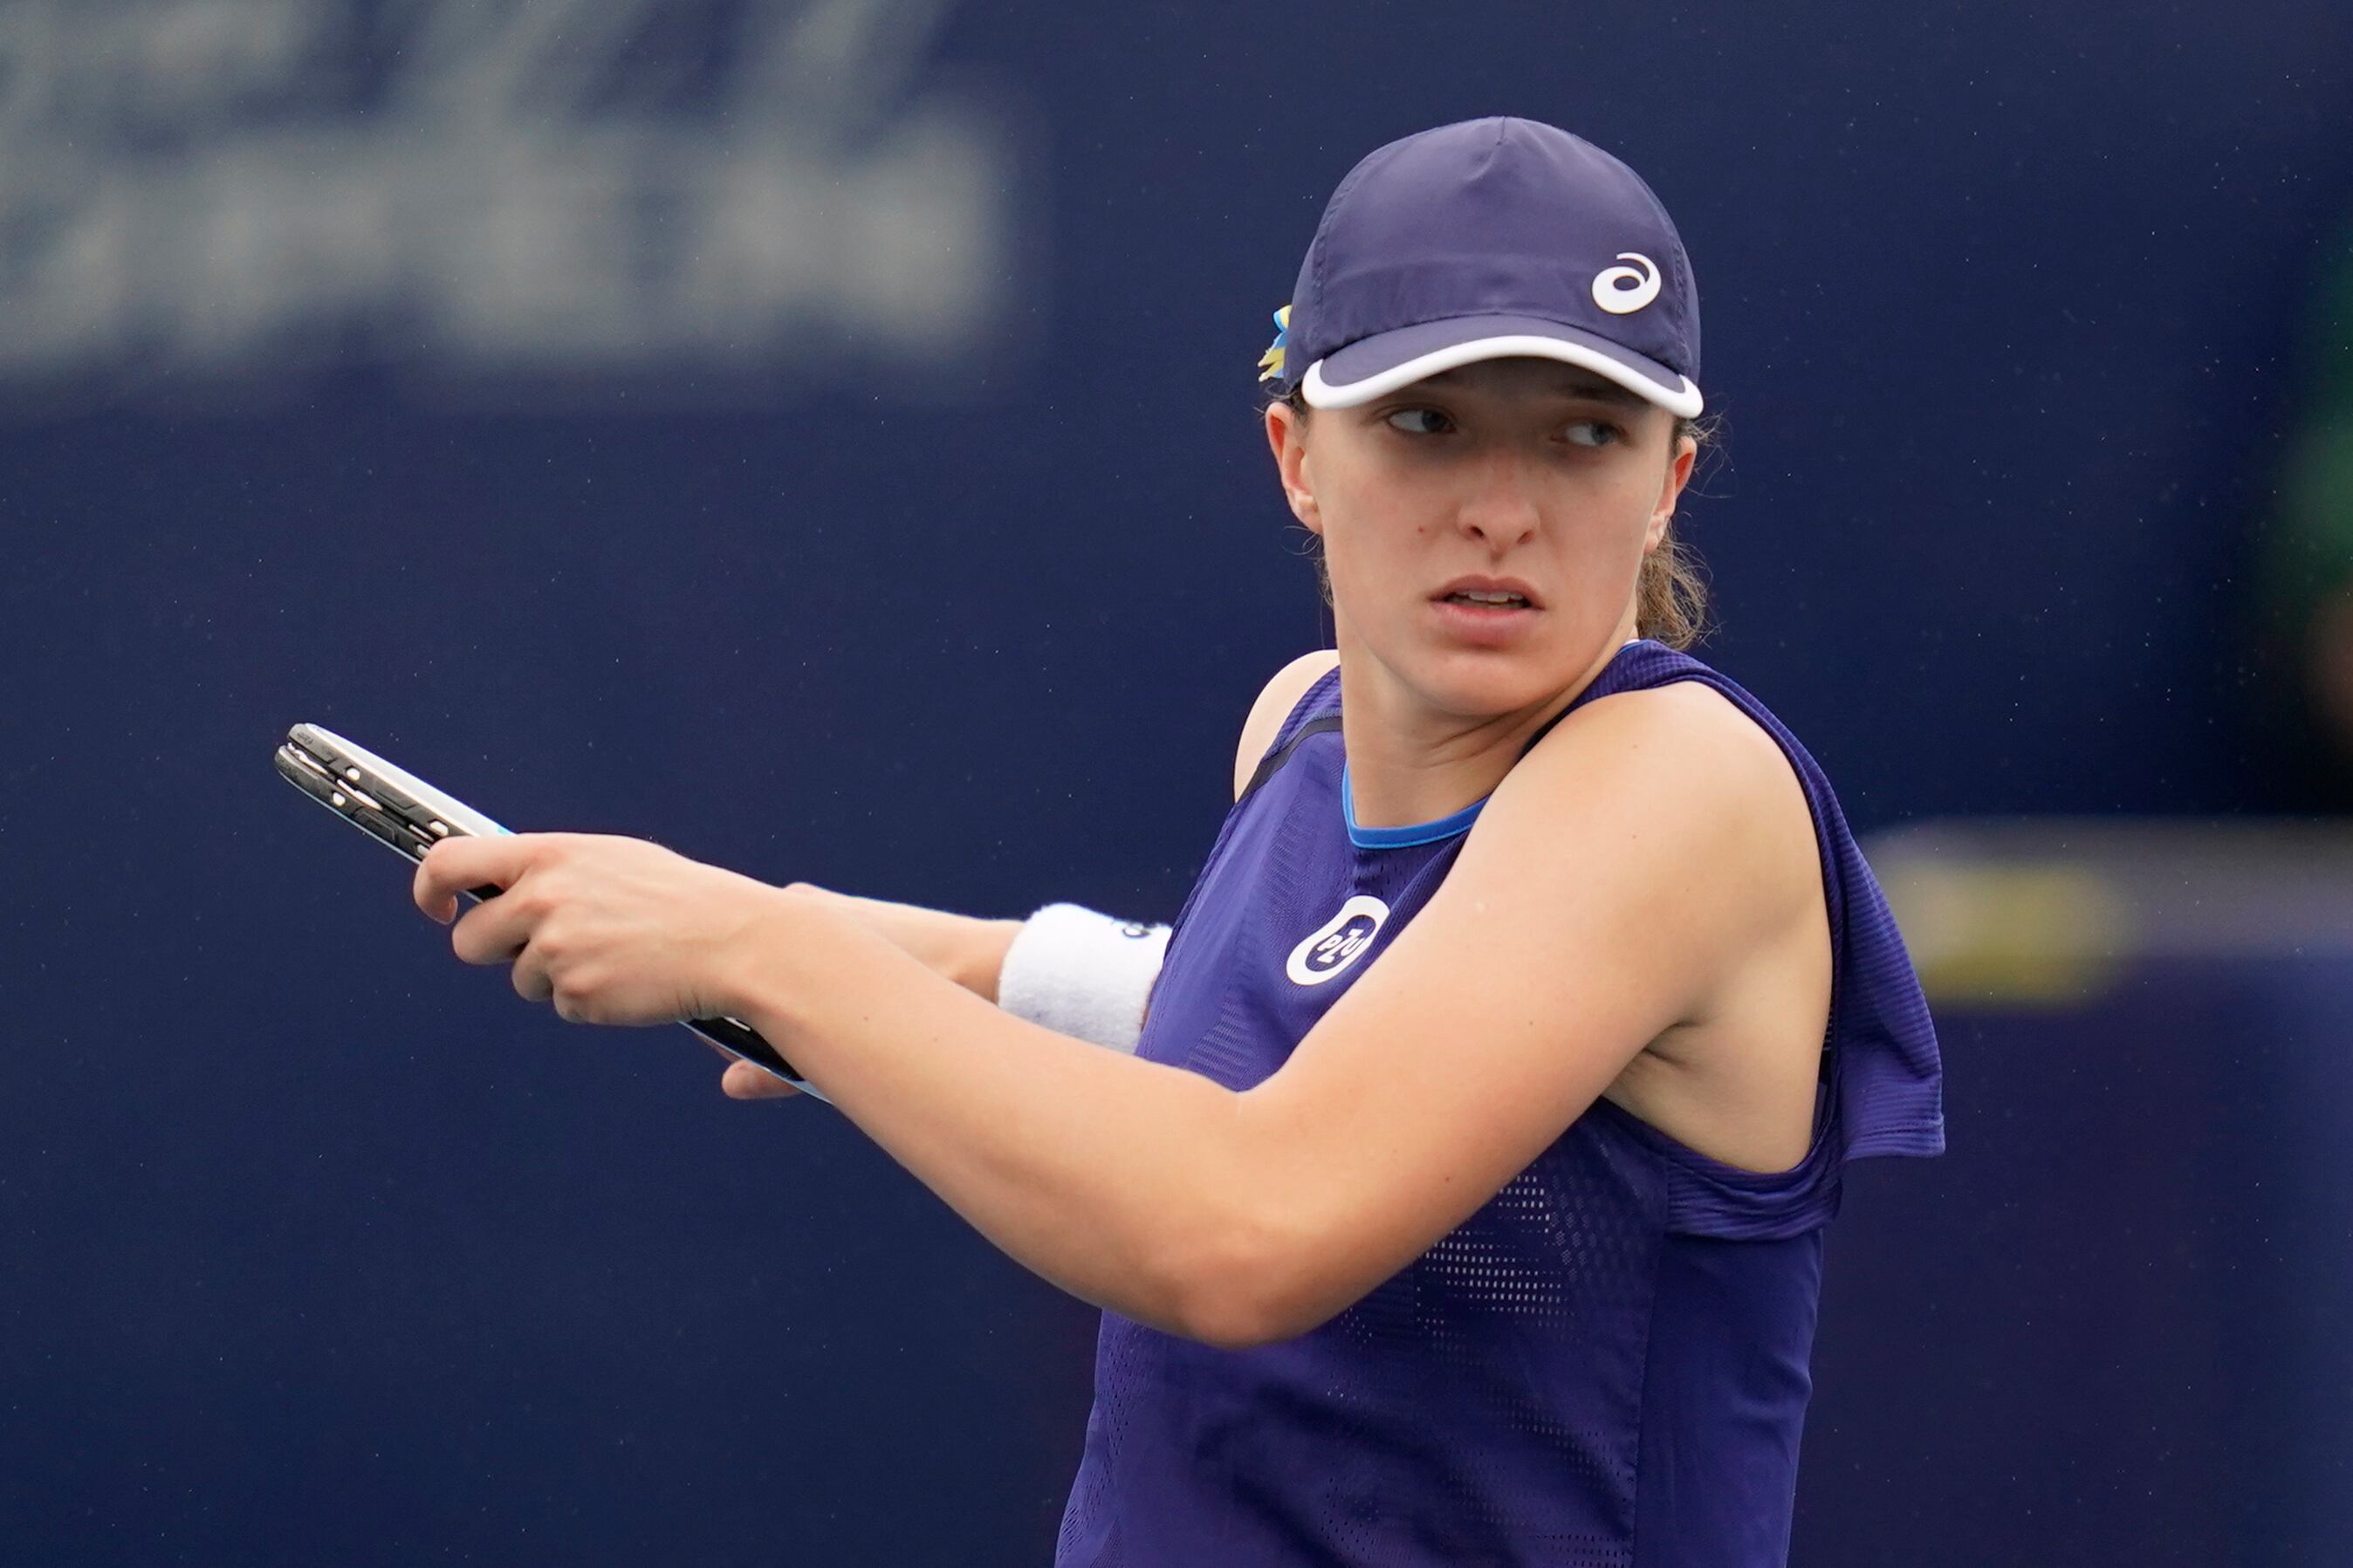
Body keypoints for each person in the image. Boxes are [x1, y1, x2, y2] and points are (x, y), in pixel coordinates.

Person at [411, 117, 1945, 1567]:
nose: (1502, 507)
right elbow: (1293, 1016)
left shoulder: (1680, 782)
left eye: (1584, 435)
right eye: (1425, 423)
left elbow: (1246, 1226)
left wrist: (781, 957)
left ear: (1666, 483)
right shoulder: (1303, 729)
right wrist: (915, 961)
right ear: (1298, 456)